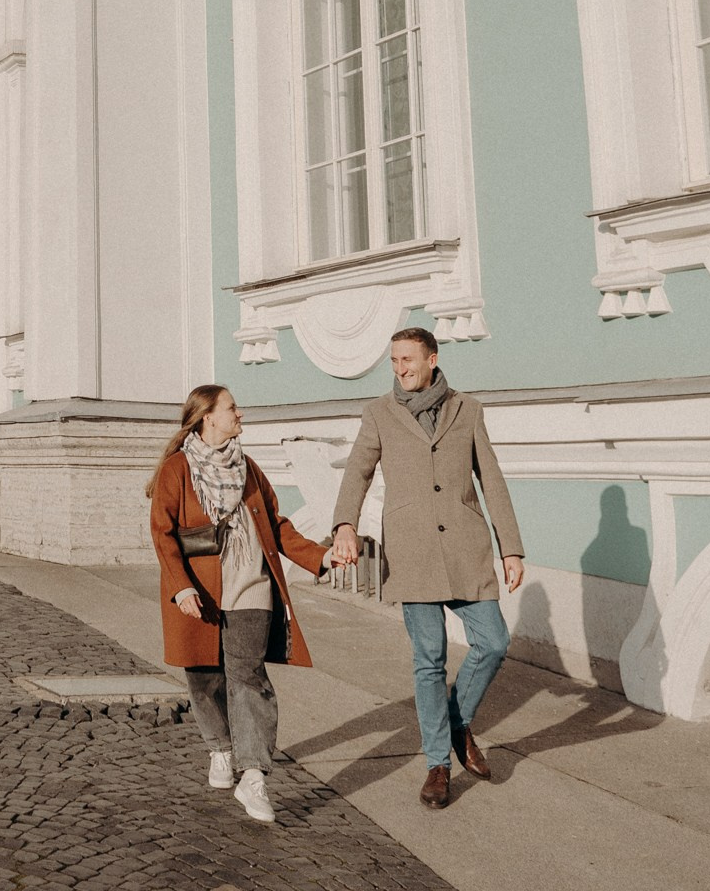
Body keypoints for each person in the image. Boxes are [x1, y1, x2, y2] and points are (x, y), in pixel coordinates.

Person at [328, 326, 524, 810]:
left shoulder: (468, 409)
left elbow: (492, 480)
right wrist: (344, 525)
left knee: (494, 641)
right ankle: (438, 763)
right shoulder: (378, 413)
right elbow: (358, 471)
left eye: (408, 360)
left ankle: (457, 725)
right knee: (429, 660)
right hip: (412, 551)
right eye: (394, 361)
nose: (400, 369)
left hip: (465, 547)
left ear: (432, 359)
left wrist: (511, 548)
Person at [148, 384, 334, 825]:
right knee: (204, 677)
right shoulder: (177, 470)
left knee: (248, 677)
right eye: (232, 408)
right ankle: (220, 748)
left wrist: (319, 557)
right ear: (208, 416)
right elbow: (163, 533)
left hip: (251, 586)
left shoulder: (248, 468)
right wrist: (182, 587)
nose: (240, 414)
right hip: (200, 590)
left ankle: (253, 777)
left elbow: (276, 524)